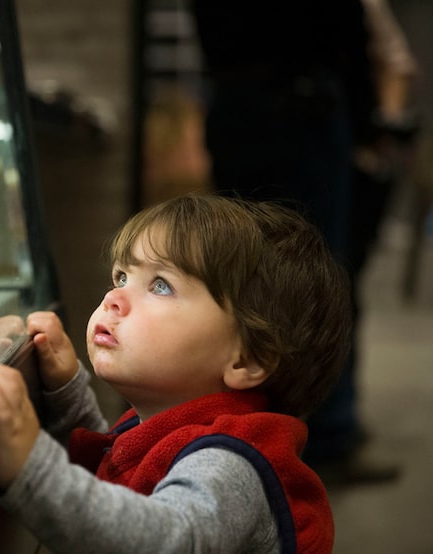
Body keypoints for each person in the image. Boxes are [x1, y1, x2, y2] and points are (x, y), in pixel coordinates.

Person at [0, 195, 352, 553]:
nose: (113, 298)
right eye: (122, 277)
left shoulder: (231, 466)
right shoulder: (176, 428)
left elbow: (156, 539)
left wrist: (33, 469)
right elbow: (120, 474)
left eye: (160, 286)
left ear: (247, 360)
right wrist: (65, 389)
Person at [188, 0, 402, 484]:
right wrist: (367, 122)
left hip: (232, 98)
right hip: (301, 99)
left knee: (244, 270)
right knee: (321, 271)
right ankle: (324, 437)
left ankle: (246, 429)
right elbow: (341, 24)